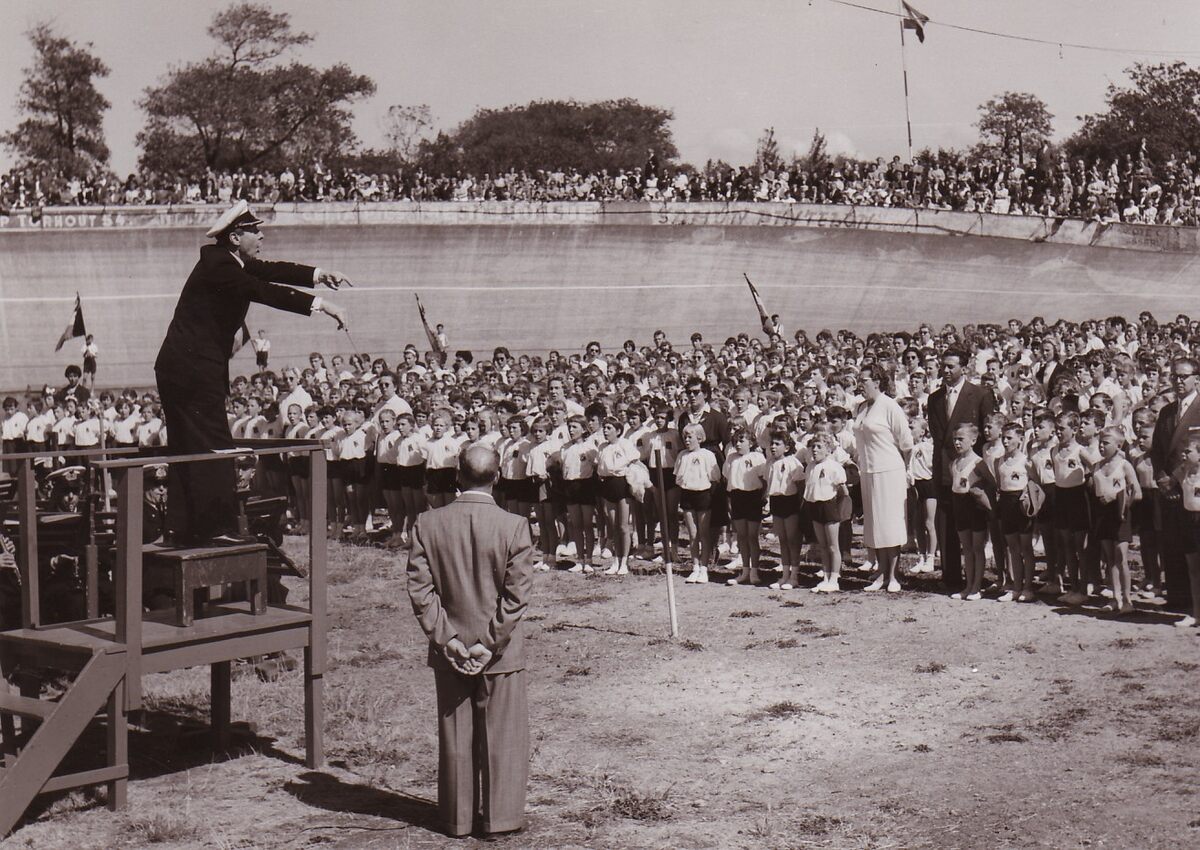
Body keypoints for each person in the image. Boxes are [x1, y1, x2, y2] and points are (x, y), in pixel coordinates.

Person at [153, 200, 349, 546]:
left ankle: (181, 529)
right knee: (213, 445)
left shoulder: (226, 261)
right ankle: (217, 529)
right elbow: (264, 290)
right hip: (194, 370)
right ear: (234, 237)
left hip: (182, 368)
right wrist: (322, 305)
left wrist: (319, 275)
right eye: (254, 231)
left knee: (187, 446)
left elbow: (273, 270)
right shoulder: (222, 268)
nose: (261, 236)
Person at [406, 445, 534, 839]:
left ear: (457, 476)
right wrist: (488, 643)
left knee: (456, 737)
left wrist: (448, 640)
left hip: (451, 648)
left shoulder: (428, 523)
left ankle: (458, 820)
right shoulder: (514, 525)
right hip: (500, 652)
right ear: (498, 476)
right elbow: (516, 597)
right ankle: (500, 819)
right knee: (503, 736)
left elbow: (420, 591)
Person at [928, 347, 995, 592]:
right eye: (943, 366)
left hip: (971, 470)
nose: (946, 370)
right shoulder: (934, 398)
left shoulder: (980, 394)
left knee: (973, 527)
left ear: (963, 367)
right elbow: (937, 437)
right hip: (945, 468)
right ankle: (951, 577)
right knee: (947, 523)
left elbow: (988, 433)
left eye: (951, 366)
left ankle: (976, 579)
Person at [852, 363, 914, 593]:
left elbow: (906, 443)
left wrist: (906, 471)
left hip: (890, 471)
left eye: (864, 380)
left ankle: (893, 575)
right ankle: (881, 573)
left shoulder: (890, 406)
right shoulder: (861, 407)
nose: (860, 384)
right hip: (868, 471)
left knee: (890, 523)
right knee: (874, 524)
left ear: (877, 382)